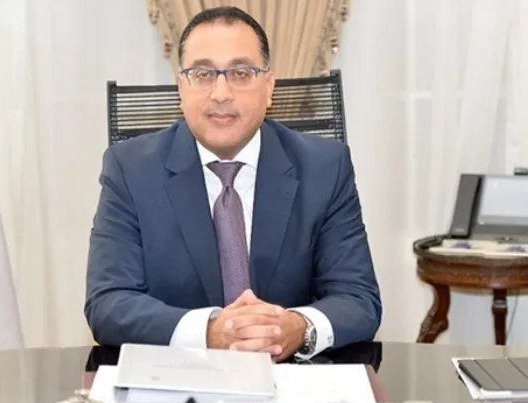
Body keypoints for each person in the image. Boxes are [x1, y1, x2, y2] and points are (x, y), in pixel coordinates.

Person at [84, 6, 381, 362]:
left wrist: (298, 328)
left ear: (269, 87)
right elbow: (108, 302)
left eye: (241, 73)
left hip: (290, 380)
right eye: (203, 74)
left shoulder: (325, 167)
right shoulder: (130, 169)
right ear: (181, 87)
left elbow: (358, 298)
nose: (221, 93)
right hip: (175, 378)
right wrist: (210, 333)